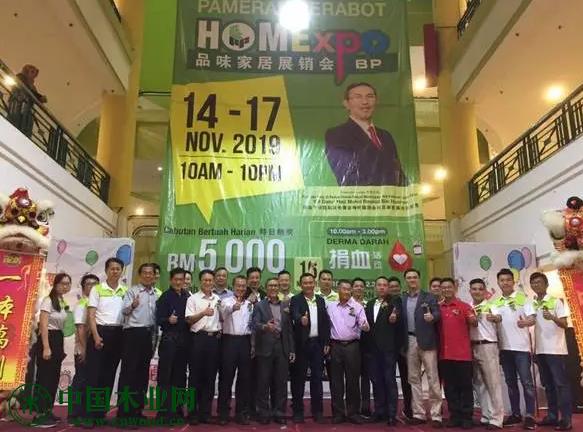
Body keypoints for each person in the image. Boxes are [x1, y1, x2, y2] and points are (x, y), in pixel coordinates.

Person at [324, 82, 408, 187]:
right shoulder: (337, 134)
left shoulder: (386, 136)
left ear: (376, 101)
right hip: (364, 196)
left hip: (393, 197)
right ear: (346, 104)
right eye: (358, 97)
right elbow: (347, 176)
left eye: (370, 96)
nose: (365, 102)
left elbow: (399, 173)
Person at [85, 257, 128, 426]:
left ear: (122, 271)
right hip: (100, 332)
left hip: (118, 334)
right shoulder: (97, 289)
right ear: (106, 270)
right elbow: (91, 315)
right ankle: (90, 415)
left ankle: (101, 413)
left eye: (118, 269)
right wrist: (96, 336)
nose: (115, 271)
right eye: (112, 268)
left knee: (109, 375)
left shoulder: (125, 290)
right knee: (95, 375)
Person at [493, 268, 537, 430]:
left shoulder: (522, 298)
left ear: (513, 281)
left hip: (521, 349)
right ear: (498, 282)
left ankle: (530, 415)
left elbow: (532, 318)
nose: (505, 283)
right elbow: (495, 320)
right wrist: (493, 318)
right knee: (510, 383)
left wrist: (526, 323)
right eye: (502, 280)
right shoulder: (495, 302)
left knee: (527, 383)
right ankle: (516, 414)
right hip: (504, 349)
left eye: (508, 280)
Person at [530, 272, 572, 431]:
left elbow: (565, 324)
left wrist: (553, 317)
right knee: (548, 385)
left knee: (561, 385)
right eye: (533, 283)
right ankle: (552, 416)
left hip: (555, 350)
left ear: (546, 284)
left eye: (539, 282)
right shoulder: (532, 303)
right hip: (540, 350)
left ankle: (566, 419)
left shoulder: (556, 301)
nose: (536, 285)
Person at [117, 263, 159, 423]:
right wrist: (132, 305)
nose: (148, 275)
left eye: (151, 273)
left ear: (154, 275)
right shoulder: (132, 291)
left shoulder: (156, 294)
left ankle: (137, 410)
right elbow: (124, 311)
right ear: (140, 275)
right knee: (129, 373)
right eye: (145, 273)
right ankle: (124, 413)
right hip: (133, 334)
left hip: (148, 335)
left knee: (142, 374)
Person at [401, 268, 442, 427]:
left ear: (419, 279)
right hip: (409, 340)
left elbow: (437, 313)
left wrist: (433, 317)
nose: (412, 280)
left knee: (433, 378)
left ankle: (436, 415)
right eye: (409, 277)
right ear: (405, 280)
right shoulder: (403, 298)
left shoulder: (429, 297)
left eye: (414, 277)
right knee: (413, 379)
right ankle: (418, 414)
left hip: (428, 341)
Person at [252, 278, 296, 424]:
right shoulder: (259, 305)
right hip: (264, 348)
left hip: (282, 348)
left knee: (281, 383)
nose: (273, 288)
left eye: (275, 285)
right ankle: (264, 413)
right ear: (266, 288)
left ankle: (279, 413)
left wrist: (291, 349)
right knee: (263, 382)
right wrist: (265, 327)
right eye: (270, 285)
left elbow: (289, 330)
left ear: (279, 288)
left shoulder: (285, 305)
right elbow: (254, 324)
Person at [31, 273, 71, 428]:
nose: (65, 286)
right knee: (44, 377)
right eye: (62, 283)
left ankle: (48, 410)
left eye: (68, 283)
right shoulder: (48, 300)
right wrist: (46, 347)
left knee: (53, 378)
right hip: (48, 339)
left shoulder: (61, 301)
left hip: (57, 339)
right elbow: (43, 324)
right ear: (55, 284)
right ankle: (39, 414)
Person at [290, 273, 330, 423]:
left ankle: (317, 411)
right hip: (301, 345)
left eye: (310, 282)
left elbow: (325, 323)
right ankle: (298, 411)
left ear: (315, 284)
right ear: (300, 285)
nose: (308, 285)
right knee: (298, 379)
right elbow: (294, 314)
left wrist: (326, 342)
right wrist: (301, 319)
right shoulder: (296, 299)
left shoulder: (320, 300)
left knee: (317, 379)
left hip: (318, 345)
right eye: (305, 283)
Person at [327, 280, 370, 424]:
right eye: (343, 289)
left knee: (353, 381)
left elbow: (365, 325)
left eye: (348, 289)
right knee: (336, 381)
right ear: (338, 290)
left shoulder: (357, 307)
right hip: (335, 346)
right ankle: (338, 413)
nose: (346, 292)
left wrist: (364, 325)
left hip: (353, 346)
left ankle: (353, 412)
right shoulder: (330, 306)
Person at [362, 276, 402, 425]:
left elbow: (397, 313)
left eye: (385, 285)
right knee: (376, 381)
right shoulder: (370, 303)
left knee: (389, 381)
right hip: (372, 350)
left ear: (388, 287)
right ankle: (379, 411)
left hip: (388, 350)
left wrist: (395, 316)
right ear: (375, 287)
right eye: (379, 285)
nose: (382, 287)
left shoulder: (394, 301)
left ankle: (391, 414)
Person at [438, 278, 477, 430]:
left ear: (455, 288)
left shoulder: (464, 306)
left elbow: (473, 321)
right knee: (450, 388)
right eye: (443, 287)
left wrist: (473, 319)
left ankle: (467, 417)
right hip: (444, 354)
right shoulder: (438, 308)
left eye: (449, 287)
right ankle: (454, 416)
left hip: (463, 355)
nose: (446, 289)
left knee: (465, 387)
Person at [155, 267, 190, 424]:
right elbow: (158, 319)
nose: (178, 282)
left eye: (181, 279)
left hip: (184, 342)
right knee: (165, 377)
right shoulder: (165, 297)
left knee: (180, 376)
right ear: (170, 280)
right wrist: (167, 320)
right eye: (176, 279)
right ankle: (164, 411)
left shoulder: (187, 296)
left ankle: (178, 409)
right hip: (169, 340)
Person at [185, 269, 221, 424]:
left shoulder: (218, 299)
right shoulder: (192, 299)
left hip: (214, 341)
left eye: (210, 280)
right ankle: (192, 412)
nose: (208, 282)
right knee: (195, 377)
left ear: (213, 282)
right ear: (200, 281)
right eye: (205, 280)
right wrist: (203, 313)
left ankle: (205, 412)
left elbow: (221, 319)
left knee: (210, 377)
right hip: (198, 339)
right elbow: (188, 320)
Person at [469, 278, 504, 430]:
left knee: (493, 383)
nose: (477, 291)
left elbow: (498, 317)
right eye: (474, 289)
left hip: (488, 346)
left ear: (485, 291)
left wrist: (495, 318)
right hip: (472, 346)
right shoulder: (468, 307)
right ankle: (486, 415)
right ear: (470, 291)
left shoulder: (491, 305)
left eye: (480, 289)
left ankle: (497, 419)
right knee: (479, 383)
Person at [217, 275, 253, 425]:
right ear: (233, 287)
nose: (241, 288)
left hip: (245, 341)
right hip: (229, 341)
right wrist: (233, 308)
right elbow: (222, 315)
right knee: (226, 378)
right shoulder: (225, 301)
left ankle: (241, 413)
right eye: (238, 286)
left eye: (243, 286)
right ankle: (223, 413)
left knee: (244, 379)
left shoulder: (250, 304)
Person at [68, 274, 99, 423]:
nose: (92, 287)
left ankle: (88, 411)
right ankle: (74, 413)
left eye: (95, 284)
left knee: (90, 381)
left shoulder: (97, 302)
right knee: (81, 381)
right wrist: (84, 350)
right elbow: (80, 328)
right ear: (83, 288)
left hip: (94, 348)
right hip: (83, 349)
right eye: (88, 284)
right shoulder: (82, 304)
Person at [388, 276, 413, 420]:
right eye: (391, 286)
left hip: (404, 347)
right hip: (388, 349)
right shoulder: (384, 303)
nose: (394, 289)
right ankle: (390, 411)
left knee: (407, 379)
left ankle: (409, 409)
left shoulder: (405, 301)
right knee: (389, 379)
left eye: (396, 286)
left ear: (400, 287)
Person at [7, 64, 47, 137]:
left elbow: (33, 94)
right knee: (15, 125)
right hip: (17, 106)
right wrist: (40, 97)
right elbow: (28, 90)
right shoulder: (20, 77)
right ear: (26, 71)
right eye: (32, 72)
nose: (34, 76)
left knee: (24, 128)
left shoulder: (32, 85)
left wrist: (40, 98)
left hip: (26, 110)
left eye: (35, 74)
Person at [351, 277, 371, 417]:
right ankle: (353, 407)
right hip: (351, 345)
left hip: (367, 346)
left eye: (361, 286)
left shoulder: (369, 305)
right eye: (356, 286)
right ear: (352, 289)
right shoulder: (346, 305)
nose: (359, 288)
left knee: (365, 377)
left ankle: (365, 406)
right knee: (352, 377)